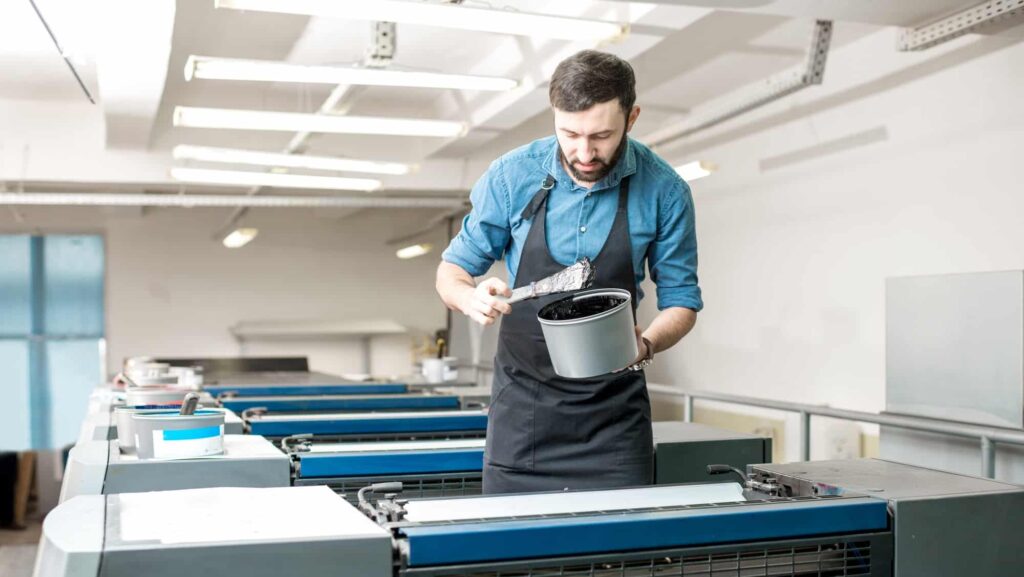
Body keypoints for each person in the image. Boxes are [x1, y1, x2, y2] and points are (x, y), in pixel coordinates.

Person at [435, 49, 702, 494]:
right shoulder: (511, 176)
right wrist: (470, 297)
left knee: (616, 539)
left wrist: (647, 344)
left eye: (601, 135)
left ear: (632, 118)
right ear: (554, 116)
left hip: (614, 424)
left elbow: (682, 302)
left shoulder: (665, 190)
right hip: (522, 419)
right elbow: (452, 271)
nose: (584, 152)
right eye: (570, 134)